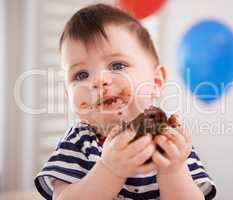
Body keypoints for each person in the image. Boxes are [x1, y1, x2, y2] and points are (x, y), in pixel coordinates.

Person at [34, 3, 216, 200]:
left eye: (117, 65)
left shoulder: (172, 141)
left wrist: (172, 170)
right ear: (68, 95)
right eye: (81, 75)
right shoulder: (78, 142)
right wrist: (109, 169)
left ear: (156, 81)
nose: (98, 80)